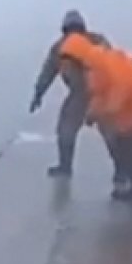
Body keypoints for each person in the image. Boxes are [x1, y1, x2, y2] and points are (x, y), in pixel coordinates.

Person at [56, 32, 132, 207]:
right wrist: (92, 113)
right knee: (125, 153)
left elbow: (120, 88)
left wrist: (105, 111)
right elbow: (98, 93)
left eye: (68, 66)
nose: (66, 71)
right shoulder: (93, 67)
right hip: (129, 115)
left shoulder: (104, 62)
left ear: (76, 60)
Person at [30, 10, 122, 184]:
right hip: (80, 94)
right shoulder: (61, 48)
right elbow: (48, 72)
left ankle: (120, 170)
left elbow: (114, 65)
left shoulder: (95, 41)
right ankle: (66, 166)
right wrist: (38, 94)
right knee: (66, 130)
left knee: (111, 134)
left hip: (101, 92)